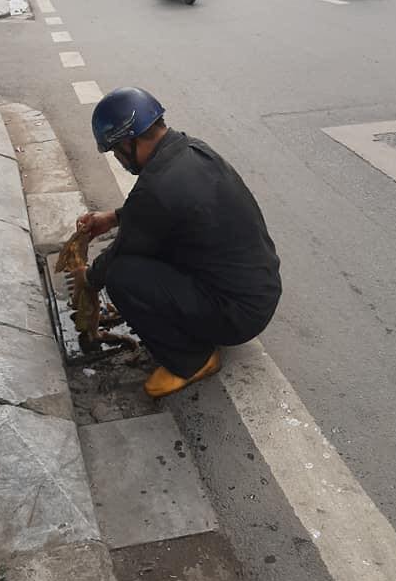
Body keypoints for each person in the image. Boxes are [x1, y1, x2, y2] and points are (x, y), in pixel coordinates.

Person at [76, 88, 282, 399]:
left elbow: (121, 251)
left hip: (236, 316)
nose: (118, 160)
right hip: (259, 292)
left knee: (121, 275)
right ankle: (194, 325)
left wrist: (88, 279)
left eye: (117, 151)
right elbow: (163, 210)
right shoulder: (191, 150)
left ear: (130, 141)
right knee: (157, 250)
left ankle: (193, 360)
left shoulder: (157, 187)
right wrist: (113, 217)